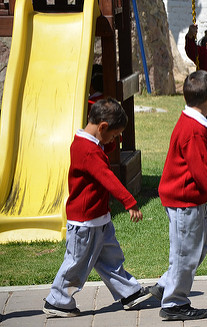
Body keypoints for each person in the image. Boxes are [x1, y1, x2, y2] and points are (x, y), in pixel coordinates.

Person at [43, 98, 152, 318]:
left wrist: (110, 139)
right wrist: (129, 201)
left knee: (112, 259)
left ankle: (129, 293)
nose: (114, 141)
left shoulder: (90, 143)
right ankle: (58, 301)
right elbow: (106, 176)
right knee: (75, 263)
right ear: (102, 127)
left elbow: (103, 146)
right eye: (114, 135)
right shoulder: (88, 151)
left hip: (99, 219)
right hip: (85, 223)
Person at [149, 71, 207, 321]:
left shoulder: (194, 122)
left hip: (192, 200)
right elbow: (200, 171)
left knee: (200, 244)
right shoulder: (194, 130)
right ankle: (174, 303)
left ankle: (167, 284)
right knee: (185, 252)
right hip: (184, 201)